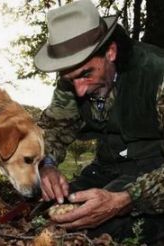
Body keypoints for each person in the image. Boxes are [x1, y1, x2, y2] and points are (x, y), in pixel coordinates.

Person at [34, 0, 164, 244]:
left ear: (111, 52)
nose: (79, 91)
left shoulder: (157, 74)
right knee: (55, 215)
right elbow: (54, 127)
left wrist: (127, 199)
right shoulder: (72, 82)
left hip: (154, 169)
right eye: (70, 79)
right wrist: (47, 165)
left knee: (101, 229)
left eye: (86, 74)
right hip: (106, 167)